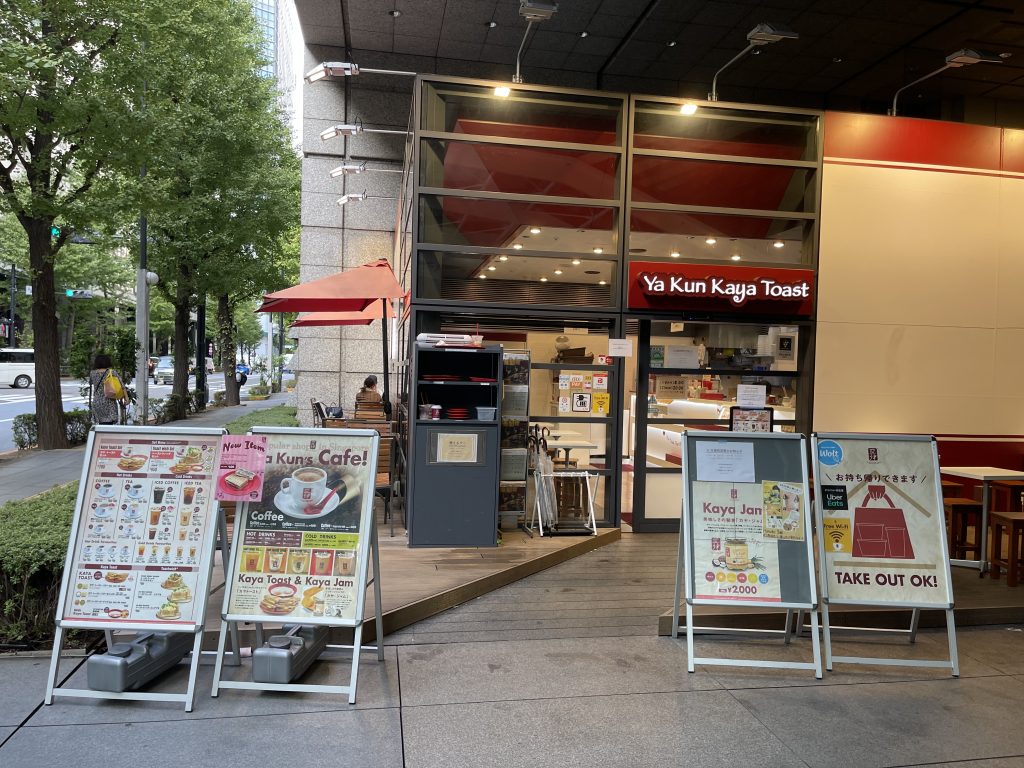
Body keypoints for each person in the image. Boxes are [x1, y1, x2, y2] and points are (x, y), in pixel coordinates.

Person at [89, 353, 125, 425]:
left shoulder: (92, 373)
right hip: (109, 401)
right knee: (109, 424)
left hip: (97, 401)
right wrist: (126, 398)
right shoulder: (111, 372)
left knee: (101, 424)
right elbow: (122, 386)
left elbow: (92, 383)